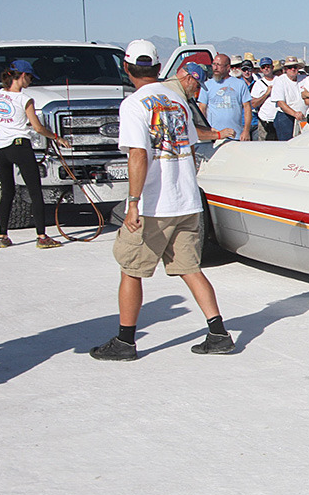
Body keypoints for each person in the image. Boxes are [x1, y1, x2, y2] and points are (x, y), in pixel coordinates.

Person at [90, 40, 234, 361]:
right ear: (158, 68)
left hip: (156, 204)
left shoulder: (133, 104)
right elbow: (192, 143)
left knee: (131, 269)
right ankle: (218, 332)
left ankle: (126, 341)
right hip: (187, 200)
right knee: (190, 268)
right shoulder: (177, 100)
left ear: (126, 69)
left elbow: (138, 154)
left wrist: (132, 202)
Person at [0, 60, 70, 249]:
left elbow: (7, 119)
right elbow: (37, 127)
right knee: (35, 192)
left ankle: (2, 235)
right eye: (30, 77)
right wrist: (57, 137)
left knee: (7, 192)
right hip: (20, 147)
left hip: (1, 149)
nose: (31, 82)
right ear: (23, 76)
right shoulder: (25, 99)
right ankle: (42, 236)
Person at [197, 54, 253, 141]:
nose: (215, 68)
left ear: (227, 67)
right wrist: (205, 132)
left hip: (236, 135)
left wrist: (246, 131)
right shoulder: (207, 85)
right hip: (214, 136)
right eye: (214, 64)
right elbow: (202, 109)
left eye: (218, 65)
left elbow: (247, 108)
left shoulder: (240, 84)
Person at [270, 56, 306, 140]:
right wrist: (295, 114)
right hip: (286, 117)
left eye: (295, 67)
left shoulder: (304, 79)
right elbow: (280, 103)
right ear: (285, 69)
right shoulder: (280, 81)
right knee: (286, 144)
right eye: (290, 67)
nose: (293, 69)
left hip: (302, 117)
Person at [252, 57, 278, 140]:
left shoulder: (279, 80)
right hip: (264, 120)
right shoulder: (258, 84)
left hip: (278, 119)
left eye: (268, 66)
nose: (266, 69)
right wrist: (266, 94)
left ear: (272, 67)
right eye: (263, 67)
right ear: (261, 69)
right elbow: (253, 103)